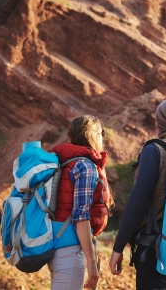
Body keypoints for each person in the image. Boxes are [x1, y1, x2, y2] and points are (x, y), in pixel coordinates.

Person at [109, 98, 166, 290]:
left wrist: (118, 247)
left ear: (157, 121)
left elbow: (138, 201)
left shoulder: (154, 151)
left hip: (155, 251)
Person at [49, 115, 113, 290]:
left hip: (56, 241)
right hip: (70, 248)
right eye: (102, 133)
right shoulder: (84, 166)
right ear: (94, 136)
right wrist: (91, 262)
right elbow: (81, 216)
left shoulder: (64, 160)